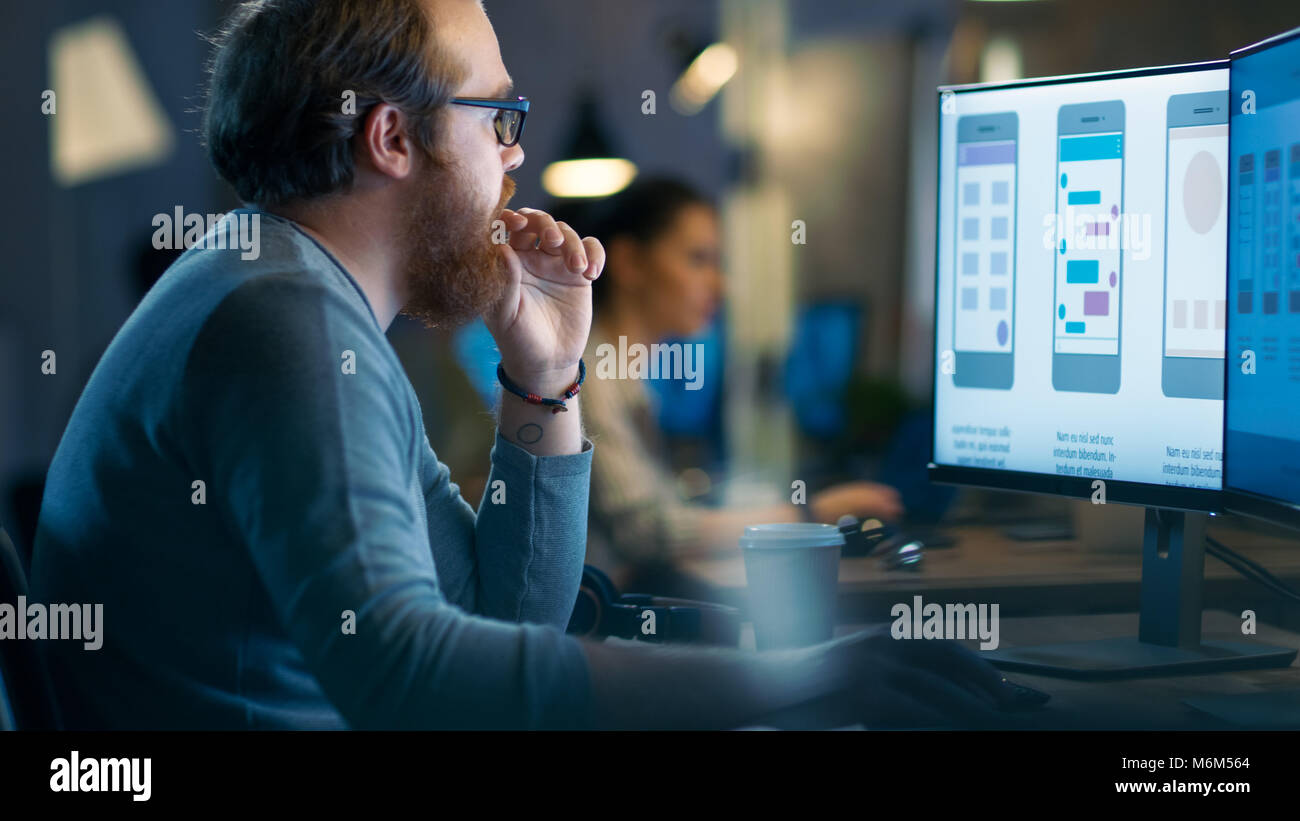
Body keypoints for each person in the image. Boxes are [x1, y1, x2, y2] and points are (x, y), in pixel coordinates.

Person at [31, 0, 1011, 730]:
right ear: (391, 136)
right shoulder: (281, 316)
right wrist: (800, 673)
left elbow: (500, 613)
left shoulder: (299, 295)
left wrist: (542, 378)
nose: (515, 156)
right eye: (497, 117)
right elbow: (415, 681)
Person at [578, 178, 904, 592]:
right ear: (628, 263)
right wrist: (812, 512)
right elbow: (648, 533)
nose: (720, 285)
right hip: (590, 632)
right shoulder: (590, 375)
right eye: (698, 259)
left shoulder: (625, 375)